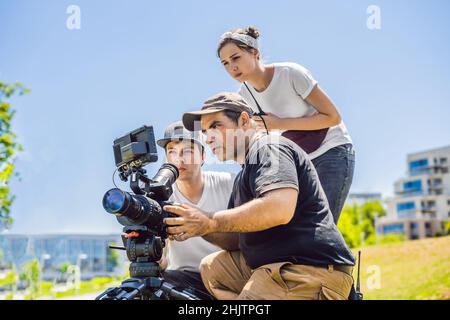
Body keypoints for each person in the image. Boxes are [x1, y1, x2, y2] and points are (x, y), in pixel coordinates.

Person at [163, 92, 356, 300]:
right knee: (212, 268)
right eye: (205, 131)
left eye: (216, 126)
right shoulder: (243, 175)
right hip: (275, 266)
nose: (208, 138)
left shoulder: (270, 147)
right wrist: (195, 225)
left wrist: (209, 220)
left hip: (307, 270)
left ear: (244, 121)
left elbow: (279, 208)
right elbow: (234, 240)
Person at [217, 26, 355, 223]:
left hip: (331, 151)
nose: (232, 67)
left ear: (254, 53)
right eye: (225, 63)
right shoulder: (243, 97)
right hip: (298, 161)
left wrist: (279, 123)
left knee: (323, 226)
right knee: (300, 229)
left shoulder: (291, 74)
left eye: (236, 58)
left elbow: (333, 117)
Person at [156, 121, 235, 299]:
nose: (179, 158)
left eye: (188, 151)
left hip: (229, 275)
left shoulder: (230, 183)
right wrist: (156, 258)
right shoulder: (162, 197)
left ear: (203, 156)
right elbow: (164, 261)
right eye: (172, 151)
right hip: (186, 278)